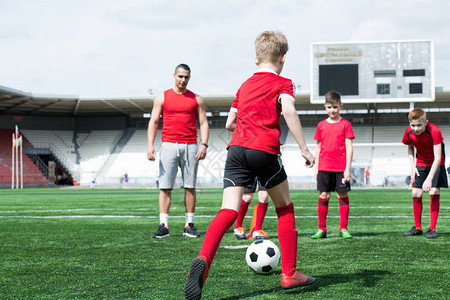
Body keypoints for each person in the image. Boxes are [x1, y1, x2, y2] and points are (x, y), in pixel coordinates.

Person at [184, 31, 316, 300]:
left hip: (237, 150)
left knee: (228, 211)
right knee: (285, 208)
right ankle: (290, 273)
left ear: (256, 58)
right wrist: (304, 148)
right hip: (263, 149)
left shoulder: (244, 86)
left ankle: (202, 263)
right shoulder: (283, 83)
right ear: (283, 58)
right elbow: (288, 110)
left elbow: (230, 123)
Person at [147, 63, 209, 239]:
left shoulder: (197, 99)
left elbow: (203, 122)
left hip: (191, 146)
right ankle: (163, 226)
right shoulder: (162, 97)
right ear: (174, 76)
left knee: (190, 187)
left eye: (186, 77)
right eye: (180, 76)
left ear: (189, 78)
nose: (183, 80)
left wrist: (204, 144)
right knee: (165, 187)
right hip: (168, 145)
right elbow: (153, 122)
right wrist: (150, 146)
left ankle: (189, 225)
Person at [311, 91, 355, 240]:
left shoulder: (346, 124)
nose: (332, 110)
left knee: (342, 195)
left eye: (335, 107)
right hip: (324, 166)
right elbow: (318, 147)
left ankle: (343, 228)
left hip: (340, 168)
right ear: (325, 107)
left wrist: (347, 168)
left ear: (341, 107)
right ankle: (321, 229)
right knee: (324, 195)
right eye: (329, 107)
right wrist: (317, 167)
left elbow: (349, 147)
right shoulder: (321, 125)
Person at [402, 108, 447, 239]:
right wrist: (413, 167)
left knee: (434, 191)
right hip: (421, 163)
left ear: (426, 123)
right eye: (413, 125)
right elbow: (410, 148)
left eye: (419, 125)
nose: (416, 128)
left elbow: (438, 157)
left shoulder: (435, 131)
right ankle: (417, 227)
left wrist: (429, 179)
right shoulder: (408, 132)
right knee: (415, 193)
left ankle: (432, 228)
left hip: (436, 163)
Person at [226, 107, 270, 240]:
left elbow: (229, 125)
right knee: (249, 197)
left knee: (262, 195)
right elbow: (229, 125)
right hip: (259, 152)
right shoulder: (244, 103)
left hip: (254, 151)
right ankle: (240, 227)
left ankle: (257, 229)